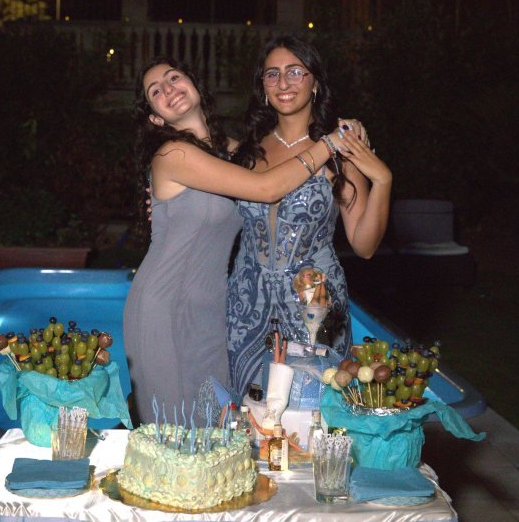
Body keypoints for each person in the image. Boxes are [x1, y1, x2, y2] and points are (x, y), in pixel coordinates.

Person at [123, 56, 354, 425]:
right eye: (156, 91)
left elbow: (283, 168)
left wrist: (345, 147)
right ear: (156, 118)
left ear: (194, 85)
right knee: (173, 430)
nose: (168, 89)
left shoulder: (230, 152)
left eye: (173, 78)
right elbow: (266, 188)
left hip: (213, 312)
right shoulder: (173, 154)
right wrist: (329, 143)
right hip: (165, 306)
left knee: (217, 428)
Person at [227, 37, 393, 397]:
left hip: (314, 305)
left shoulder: (341, 151)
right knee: (251, 411)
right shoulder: (244, 151)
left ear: (315, 83)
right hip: (247, 306)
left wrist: (383, 180)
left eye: (295, 72)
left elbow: (364, 245)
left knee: (312, 412)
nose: (283, 83)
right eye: (272, 74)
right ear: (262, 86)